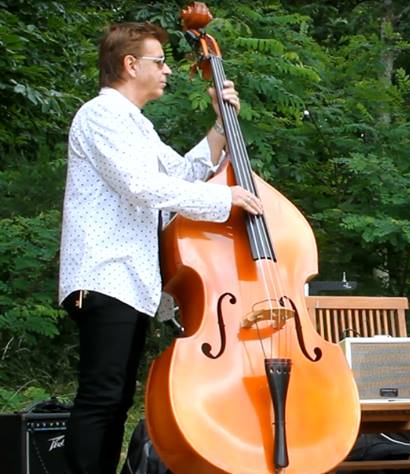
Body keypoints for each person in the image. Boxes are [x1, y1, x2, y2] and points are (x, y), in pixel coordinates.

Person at [58, 22, 263, 474]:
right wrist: (225, 198)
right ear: (131, 65)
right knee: (101, 397)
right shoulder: (100, 115)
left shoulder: (137, 125)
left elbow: (182, 175)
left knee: (116, 399)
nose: (168, 70)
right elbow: (141, 186)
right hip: (104, 274)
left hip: (131, 280)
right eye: (160, 61)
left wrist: (221, 126)